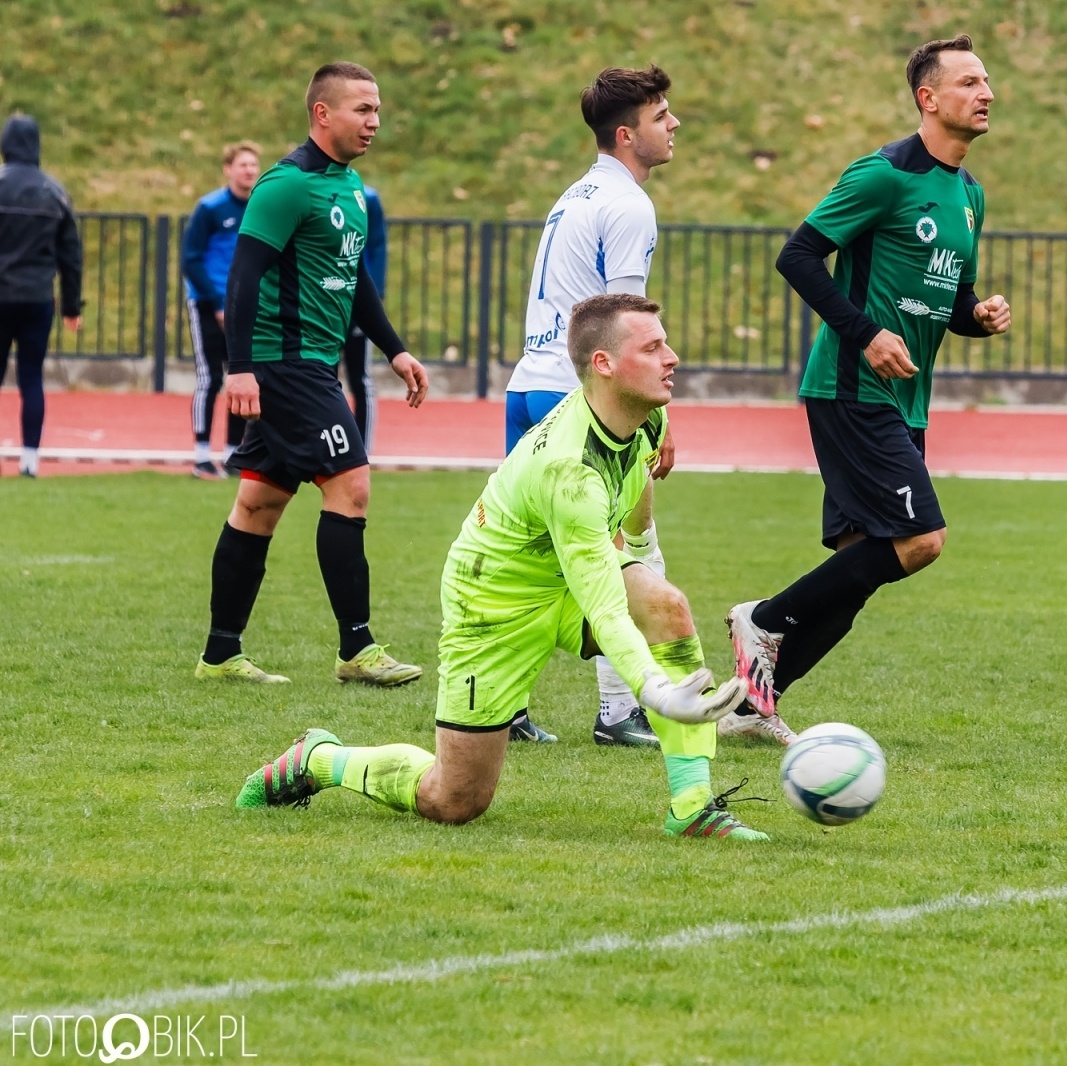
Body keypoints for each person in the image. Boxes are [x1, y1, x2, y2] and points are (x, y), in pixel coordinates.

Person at [235, 294, 766, 841]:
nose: (672, 357)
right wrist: (654, 689)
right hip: (492, 602)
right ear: (603, 364)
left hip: (562, 573)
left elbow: (635, 483)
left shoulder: (648, 413)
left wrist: (638, 547)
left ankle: (693, 808)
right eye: (653, 347)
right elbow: (605, 610)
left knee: (664, 606)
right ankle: (319, 759)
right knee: (454, 799)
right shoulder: (569, 473)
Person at [724, 35, 1010, 744]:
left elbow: (950, 298)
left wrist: (976, 316)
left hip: (906, 398)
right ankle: (763, 620)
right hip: (852, 389)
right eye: (970, 82)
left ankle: (754, 704)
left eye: (987, 82)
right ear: (929, 98)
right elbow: (798, 255)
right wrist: (866, 335)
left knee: (864, 566)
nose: (986, 93)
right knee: (921, 540)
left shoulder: (969, 194)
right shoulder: (883, 174)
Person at [195, 62, 430, 686]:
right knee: (350, 484)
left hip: (311, 365)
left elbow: (354, 279)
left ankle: (220, 656)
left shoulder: (348, 188)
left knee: (260, 502)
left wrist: (395, 349)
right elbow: (241, 279)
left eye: (378, 109)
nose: (374, 121)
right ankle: (357, 648)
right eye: (362, 109)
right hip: (285, 365)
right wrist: (238, 370)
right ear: (322, 113)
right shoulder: (286, 185)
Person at [503, 66, 681, 748]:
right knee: (617, 555)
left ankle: (503, 703)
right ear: (629, 133)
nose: (674, 125)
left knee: (534, 558)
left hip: (529, 386)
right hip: (571, 395)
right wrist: (660, 410)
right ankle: (618, 712)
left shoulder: (575, 193)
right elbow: (626, 323)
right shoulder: (629, 204)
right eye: (663, 115)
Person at [0, 115, 82, 479]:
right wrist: (70, 305)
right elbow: (71, 255)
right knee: (31, 376)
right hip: (37, 298)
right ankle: (30, 459)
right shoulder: (55, 192)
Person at [181, 141, 259, 479]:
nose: (249, 171)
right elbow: (191, 258)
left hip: (244, 306)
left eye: (254, 165)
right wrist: (215, 302)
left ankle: (232, 453)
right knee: (209, 377)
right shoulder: (210, 208)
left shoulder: (260, 207)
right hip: (208, 303)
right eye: (242, 165)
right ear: (228, 169)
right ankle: (201, 454)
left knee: (240, 377)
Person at [340, 183, 386, 448]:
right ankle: (325, 447)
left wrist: (374, 297)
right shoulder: (307, 192)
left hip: (357, 300)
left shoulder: (366, 197)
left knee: (360, 376)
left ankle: (363, 448)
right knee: (320, 374)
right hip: (323, 301)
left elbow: (377, 246)